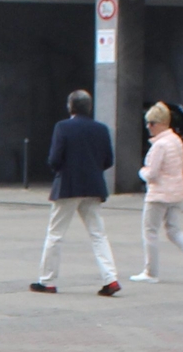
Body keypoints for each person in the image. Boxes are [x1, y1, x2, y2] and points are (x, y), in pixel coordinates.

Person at [32, 89, 119, 296]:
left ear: (70, 107)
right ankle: (111, 279)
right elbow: (108, 160)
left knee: (55, 234)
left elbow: (54, 159)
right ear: (89, 107)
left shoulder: (62, 127)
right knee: (98, 234)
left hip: (68, 187)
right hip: (94, 187)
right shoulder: (101, 129)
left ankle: (48, 281)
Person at [128, 100, 183, 285]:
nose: (148, 127)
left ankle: (151, 272)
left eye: (152, 123)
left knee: (150, 231)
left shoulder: (159, 145)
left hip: (158, 194)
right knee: (173, 229)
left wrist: (142, 172)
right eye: (148, 122)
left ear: (162, 123)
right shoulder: (176, 140)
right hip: (177, 192)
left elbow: (152, 173)